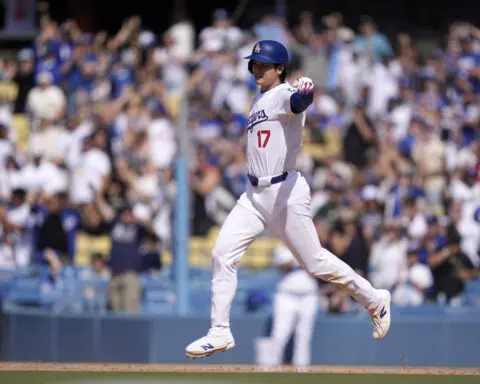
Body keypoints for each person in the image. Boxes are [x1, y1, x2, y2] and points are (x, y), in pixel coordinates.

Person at [185, 40, 391, 359]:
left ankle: (374, 299)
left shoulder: (282, 94)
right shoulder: (259, 99)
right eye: (253, 63)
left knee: (315, 262)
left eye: (263, 64)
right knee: (221, 253)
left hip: (284, 192)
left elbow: (299, 101)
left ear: (279, 69)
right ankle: (220, 331)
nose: (256, 68)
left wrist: (305, 91)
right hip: (253, 194)